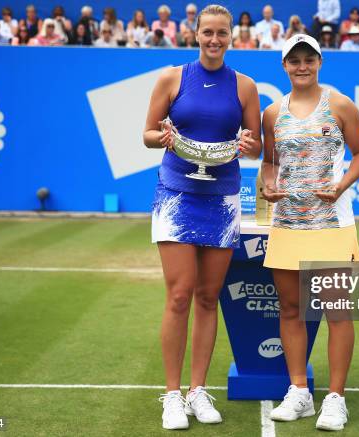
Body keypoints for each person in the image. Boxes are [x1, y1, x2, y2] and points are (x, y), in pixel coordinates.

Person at [143, 4, 261, 430]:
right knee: (179, 295)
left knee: (209, 297)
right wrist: (165, 138)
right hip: (176, 196)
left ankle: (197, 391)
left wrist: (249, 145)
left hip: (223, 198)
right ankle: (172, 396)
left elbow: (256, 145)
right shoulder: (171, 78)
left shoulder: (245, 87)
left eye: (222, 34)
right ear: (195, 34)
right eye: (207, 32)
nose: (214, 40)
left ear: (233, 37)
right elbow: (148, 135)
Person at [261, 33, 359, 432]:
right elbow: (269, 162)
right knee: (290, 309)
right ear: (285, 66)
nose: (302, 65)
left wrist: (342, 186)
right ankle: (299, 392)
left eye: (309, 59)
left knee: (337, 312)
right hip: (288, 224)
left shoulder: (340, 104)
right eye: (294, 60)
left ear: (319, 62)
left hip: (331, 226)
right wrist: (267, 185)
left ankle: (336, 399)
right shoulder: (272, 112)